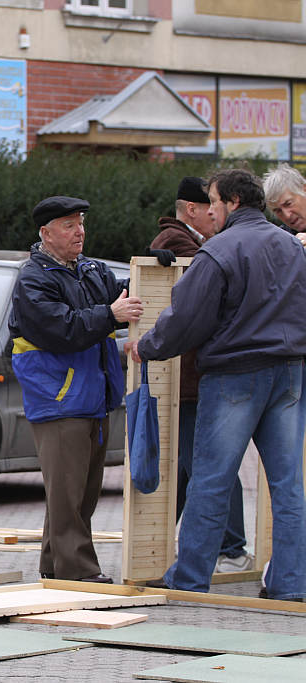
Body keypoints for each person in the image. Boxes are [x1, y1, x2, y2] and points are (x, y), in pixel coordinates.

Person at [131, 169, 306, 601]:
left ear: (230, 201)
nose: (209, 211)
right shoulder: (291, 245)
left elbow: (186, 318)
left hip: (235, 376)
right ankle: (291, 586)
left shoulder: (221, 250)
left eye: (212, 202)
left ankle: (189, 581)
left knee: (211, 479)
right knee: (288, 486)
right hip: (289, 372)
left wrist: (147, 347)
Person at [9, 195, 143, 584]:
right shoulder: (34, 278)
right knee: (69, 495)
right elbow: (61, 329)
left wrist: (151, 268)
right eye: (69, 225)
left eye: (81, 222)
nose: (79, 231)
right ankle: (79, 572)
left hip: (91, 397)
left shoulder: (89, 270)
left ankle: (54, 565)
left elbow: (118, 291)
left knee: (78, 493)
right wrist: (110, 315)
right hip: (60, 398)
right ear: (45, 233)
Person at [150, 177, 250, 573]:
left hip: (184, 378)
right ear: (191, 210)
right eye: (208, 206)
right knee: (212, 463)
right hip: (188, 380)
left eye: (217, 205)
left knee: (186, 465)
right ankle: (233, 547)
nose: (214, 214)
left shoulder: (181, 242)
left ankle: (163, 545)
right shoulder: (181, 244)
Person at [263, 163, 306, 245]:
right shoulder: (280, 240)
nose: (287, 215)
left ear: (304, 190)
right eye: (278, 211)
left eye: (288, 204)